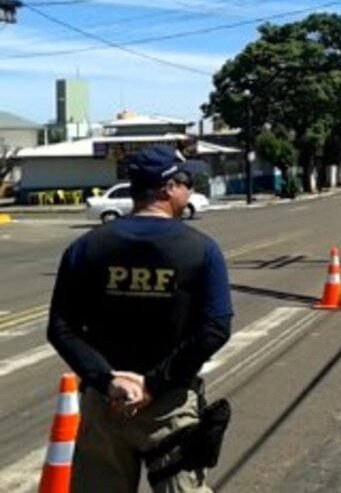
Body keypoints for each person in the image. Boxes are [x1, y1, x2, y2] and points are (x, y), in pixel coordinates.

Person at [47, 146, 234, 493]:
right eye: (186, 182)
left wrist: (107, 381)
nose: (190, 190)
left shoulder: (86, 247)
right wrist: (153, 385)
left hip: (105, 406)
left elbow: (60, 327)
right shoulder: (202, 250)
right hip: (170, 408)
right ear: (167, 188)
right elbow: (216, 328)